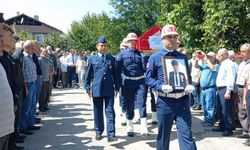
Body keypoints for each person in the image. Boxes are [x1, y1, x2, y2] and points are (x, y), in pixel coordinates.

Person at [145, 24, 197, 150]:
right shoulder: (155, 57)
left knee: (187, 134)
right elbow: (148, 79)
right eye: (169, 37)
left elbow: (187, 77)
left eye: (175, 37)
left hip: (182, 100)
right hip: (165, 101)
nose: (173, 39)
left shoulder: (182, 57)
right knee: (163, 137)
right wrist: (160, 86)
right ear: (163, 39)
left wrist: (190, 85)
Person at [84, 36, 119, 142]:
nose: (103, 47)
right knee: (98, 111)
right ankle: (98, 132)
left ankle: (111, 135)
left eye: (105, 45)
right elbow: (87, 75)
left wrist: (117, 87)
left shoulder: (111, 59)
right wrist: (87, 88)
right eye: (101, 45)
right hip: (97, 89)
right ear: (97, 46)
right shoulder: (92, 59)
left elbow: (116, 75)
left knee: (110, 112)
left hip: (109, 89)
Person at [116, 32, 149, 137]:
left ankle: (144, 127)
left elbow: (146, 69)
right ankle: (130, 126)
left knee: (142, 103)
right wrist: (117, 85)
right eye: (131, 41)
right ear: (127, 42)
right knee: (129, 104)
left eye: (134, 41)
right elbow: (117, 70)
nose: (133, 43)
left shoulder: (141, 54)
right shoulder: (121, 55)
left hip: (140, 82)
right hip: (128, 82)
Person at [213, 48, 237, 136]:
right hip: (220, 89)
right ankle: (222, 125)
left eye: (218, 54)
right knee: (220, 109)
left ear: (223, 55)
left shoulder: (229, 64)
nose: (217, 56)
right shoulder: (223, 64)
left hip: (225, 88)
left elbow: (231, 78)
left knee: (227, 109)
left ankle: (229, 128)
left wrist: (228, 90)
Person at [195, 51, 219, 127]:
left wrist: (207, 59)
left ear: (214, 57)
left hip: (211, 88)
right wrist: (196, 60)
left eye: (209, 56)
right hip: (204, 89)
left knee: (209, 105)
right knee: (204, 105)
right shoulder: (205, 65)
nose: (207, 58)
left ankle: (209, 121)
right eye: (207, 56)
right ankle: (206, 119)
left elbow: (213, 68)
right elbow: (196, 66)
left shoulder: (216, 65)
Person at [236, 43, 250, 145]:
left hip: (247, 89)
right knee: (241, 110)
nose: (241, 54)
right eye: (241, 51)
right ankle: (245, 131)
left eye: (244, 52)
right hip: (240, 88)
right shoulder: (242, 64)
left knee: (248, 111)